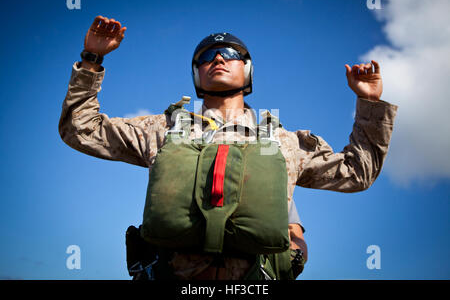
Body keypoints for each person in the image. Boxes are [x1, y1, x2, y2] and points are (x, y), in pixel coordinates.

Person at [59, 15, 397, 280]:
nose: (218, 57)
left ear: (247, 70)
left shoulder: (281, 141)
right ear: (197, 73)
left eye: (231, 54)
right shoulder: (164, 129)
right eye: (206, 56)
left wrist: (369, 102)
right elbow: (82, 129)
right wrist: (92, 59)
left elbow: (357, 173)